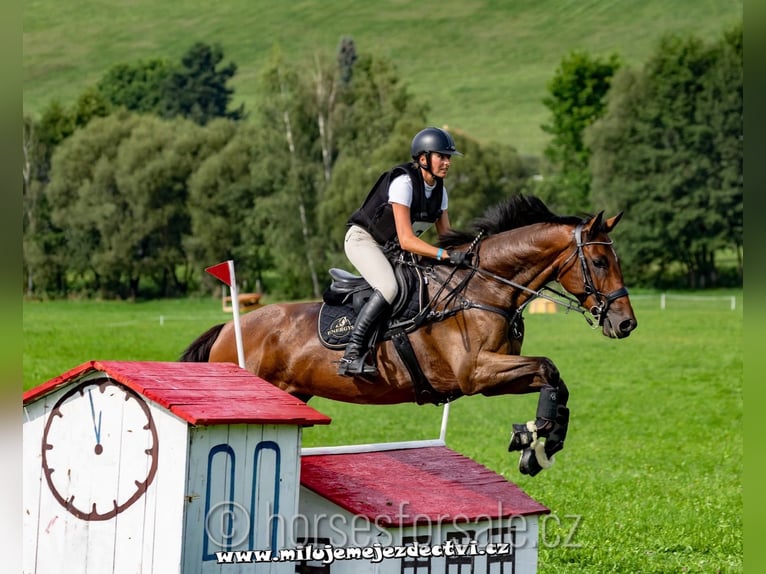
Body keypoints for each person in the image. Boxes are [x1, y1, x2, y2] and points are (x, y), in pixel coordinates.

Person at [337, 126, 473, 378]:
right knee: (389, 287)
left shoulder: (440, 191)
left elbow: (447, 238)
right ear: (423, 158)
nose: (447, 162)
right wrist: (444, 255)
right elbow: (408, 240)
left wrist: (466, 255)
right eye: (441, 156)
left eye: (448, 157)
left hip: (392, 249)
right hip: (363, 241)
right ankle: (351, 355)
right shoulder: (404, 183)